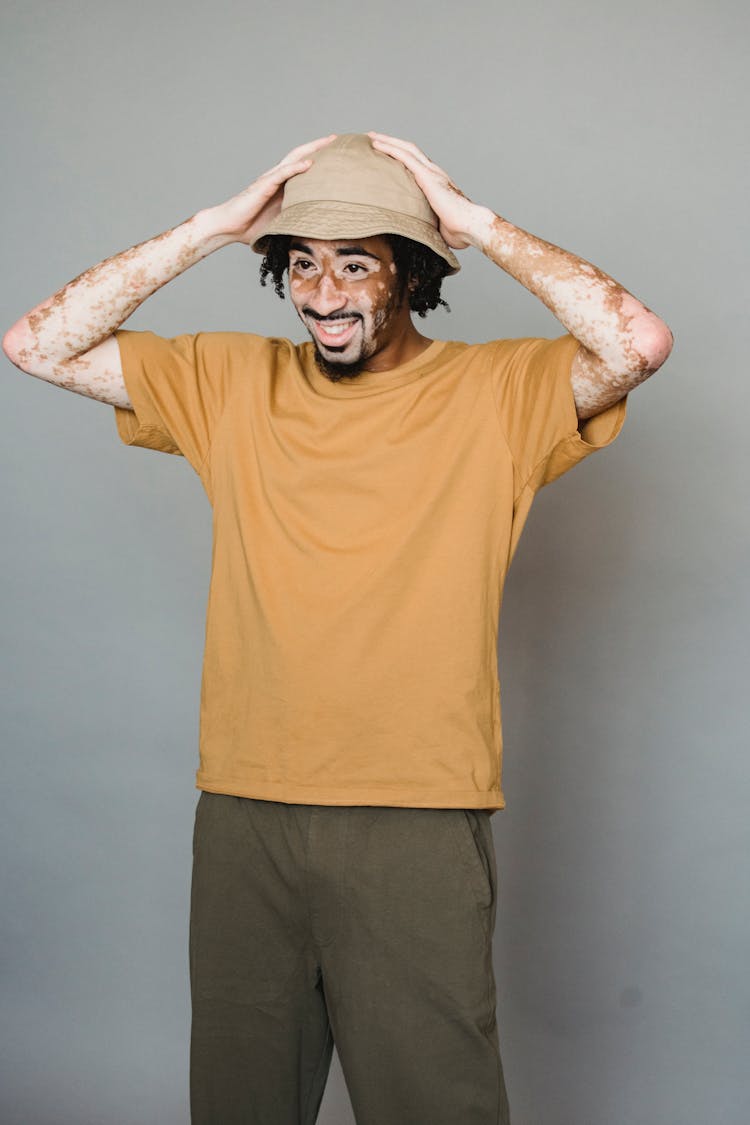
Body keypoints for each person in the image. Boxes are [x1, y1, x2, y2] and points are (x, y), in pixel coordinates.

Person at [3, 132, 673, 1125]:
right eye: (302, 262)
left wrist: (475, 222)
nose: (323, 291)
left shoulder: (497, 393)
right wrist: (215, 226)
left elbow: (637, 344)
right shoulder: (227, 380)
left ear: (413, 270)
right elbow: (35, 344)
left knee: (432, 1104)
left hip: (412, 811)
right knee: (239, 1104)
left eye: (357, 261)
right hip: (242, 810)